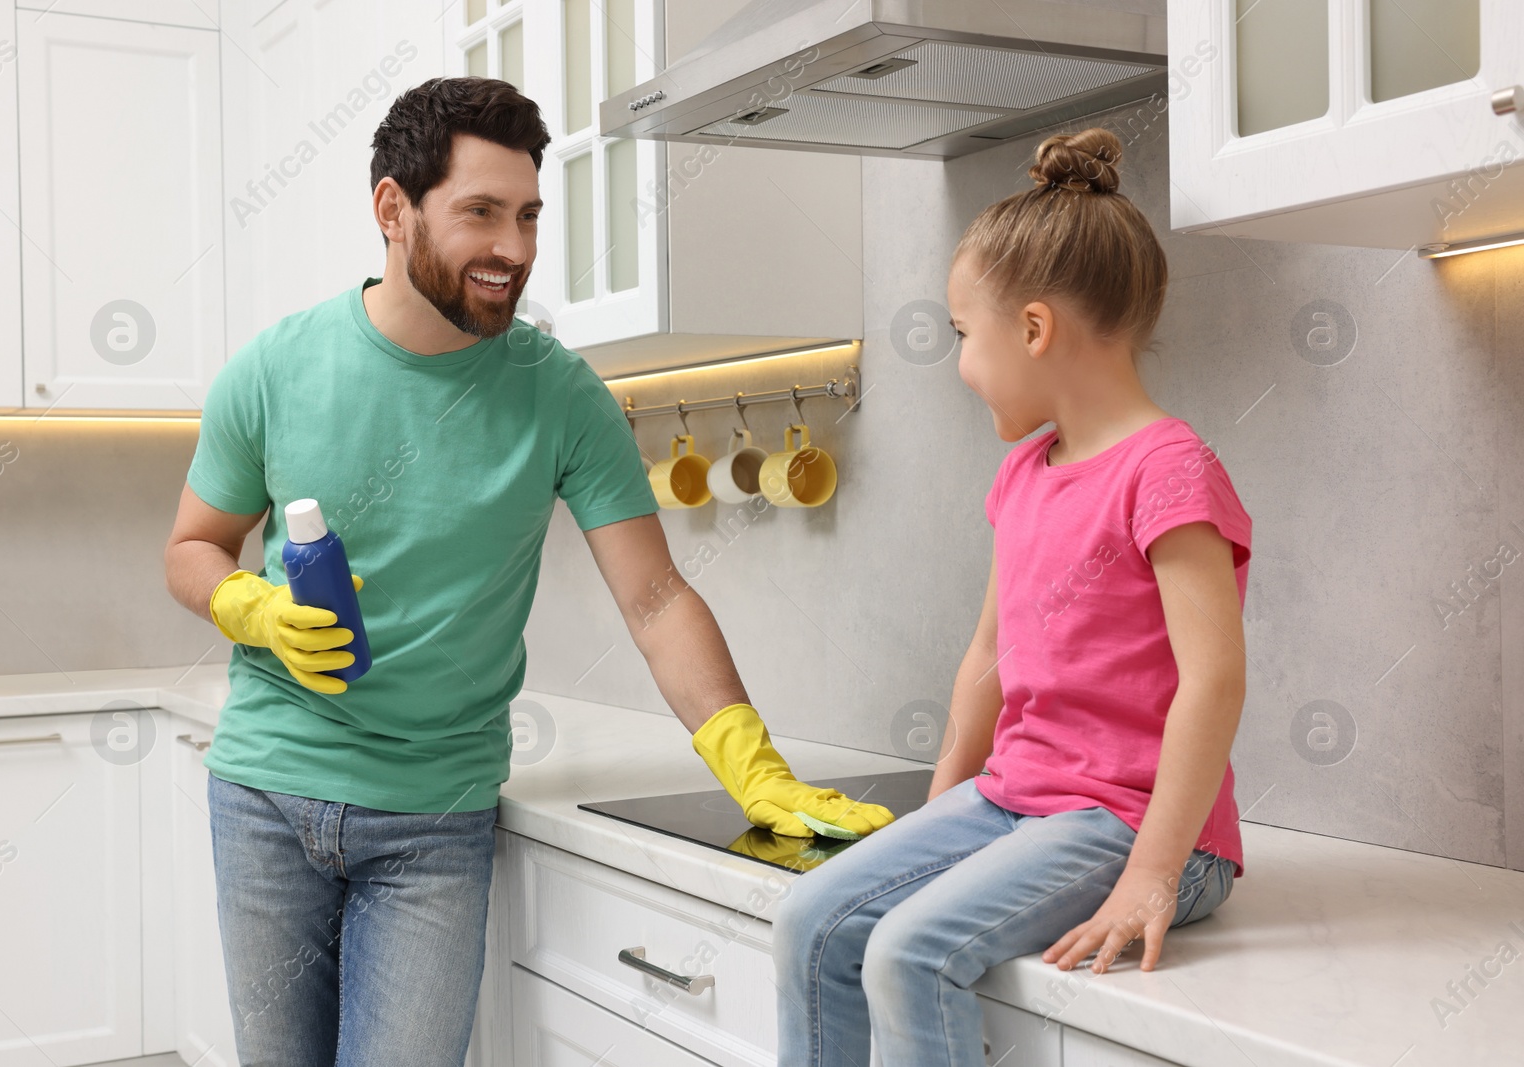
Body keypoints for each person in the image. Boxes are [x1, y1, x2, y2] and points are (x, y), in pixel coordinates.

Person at [161, 76, 893, 1065]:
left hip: (432, 818)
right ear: (392, 208)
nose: (514, 246)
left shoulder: (560, 395)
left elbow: (656, 594)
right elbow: (191, 547)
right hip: (264, 795)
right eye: (481, 212)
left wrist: (745, 757)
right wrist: (249, 604)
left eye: (529, 214)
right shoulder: (274, 368)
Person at [772, 126, 1252, 1067]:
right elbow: (988, 658)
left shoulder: (1169, 471)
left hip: (1140, 826)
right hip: (1012, 801)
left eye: (962, 335)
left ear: (1032, 330)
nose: (957, 364)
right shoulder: (1027, 471)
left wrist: (1155, 873)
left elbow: (1216, 682)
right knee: (809, 920)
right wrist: (940, 819)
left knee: (910, 951)